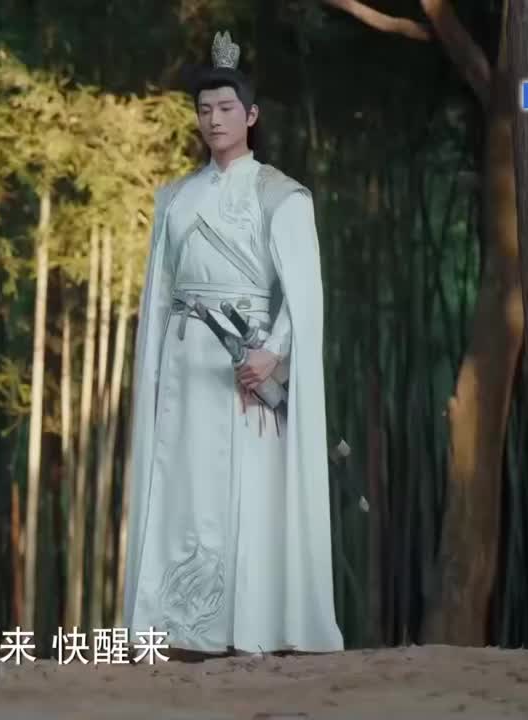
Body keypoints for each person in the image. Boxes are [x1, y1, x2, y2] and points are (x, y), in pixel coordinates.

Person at [120, 31, 344, 657]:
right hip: (183, 361)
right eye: (204, 109)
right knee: (181, 480)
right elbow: (160, 292)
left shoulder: (280, 194)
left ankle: (246, 625)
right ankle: (176, 625)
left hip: (244, 360)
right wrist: (153, 367)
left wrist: (273, 352)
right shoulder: (175, 198)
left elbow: (303, 292)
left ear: (250, 116)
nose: (213, 119)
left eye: (225, 108)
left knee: (243, 488)